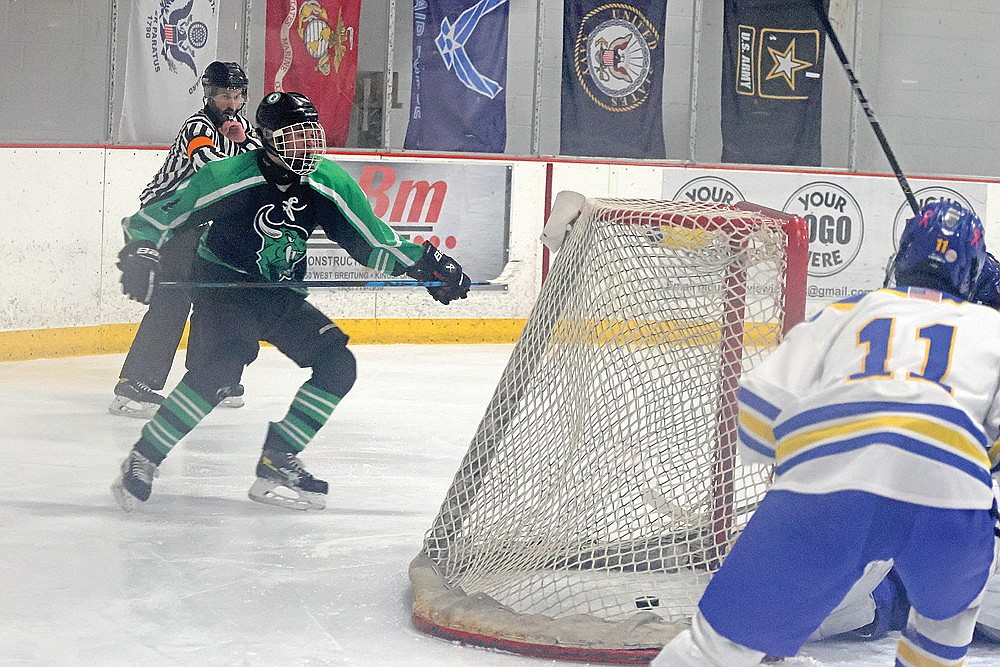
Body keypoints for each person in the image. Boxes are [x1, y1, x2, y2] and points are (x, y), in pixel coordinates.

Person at [653, 201, 1000, 666]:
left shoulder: (845, 312)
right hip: (950, 495)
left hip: (830, 486)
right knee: (947, 623)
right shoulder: (991, 327)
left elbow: (756, 407)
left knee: (718, 645)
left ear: (900, 258)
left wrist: (796, 488)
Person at [110, 91, 470, 512]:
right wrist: (141, 250)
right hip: (224, 286)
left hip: (279, 292)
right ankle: (144, 456)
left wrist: (427, 266)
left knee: (338, 364)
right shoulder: (229, 176)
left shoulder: (327, 181)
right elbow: (156, 217)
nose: (308, 147)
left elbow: (373, 242)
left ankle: (278, 458)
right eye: (295, 137)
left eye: (310, 136)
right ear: (266, 138)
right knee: (222, 368)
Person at [110, 61, 262, 419]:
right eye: (225, 95)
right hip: (168, 215)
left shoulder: (242, 129)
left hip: (200, 218)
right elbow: (208, 168)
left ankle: (208, 376)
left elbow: (261, 163)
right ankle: (134, 383)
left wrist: (245, 141)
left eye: (238, 95)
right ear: (209, 94)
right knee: (173, 295)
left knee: (212, 293)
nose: (232, 102)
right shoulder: (198, 125)